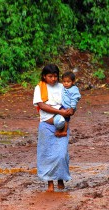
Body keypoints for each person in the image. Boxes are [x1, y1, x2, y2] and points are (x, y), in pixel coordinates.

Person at [33, 64, 73, 192]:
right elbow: (42, 106)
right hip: (46, 125)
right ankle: (50, 183)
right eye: (50, 76)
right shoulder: (39, 88)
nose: (53, 79)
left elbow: (71, 101)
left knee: (61, 154)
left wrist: (70, 111)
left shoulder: (63, 87)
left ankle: (60, 179)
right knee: (47, 155)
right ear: (44, 76)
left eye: (56, 76)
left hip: (62, 125)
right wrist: (60, 112)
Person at [51, 71, 81, 137]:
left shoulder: (74, 89)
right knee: (61, 117)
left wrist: (72, 108)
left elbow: (75, 99)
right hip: (64, 105)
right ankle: (60, 130)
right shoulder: (64, 87)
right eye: (64, 82)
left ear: (73, 82)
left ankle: (64, 131)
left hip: (69, 107)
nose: (66, 83)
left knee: (65, 119)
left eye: (68, 82)